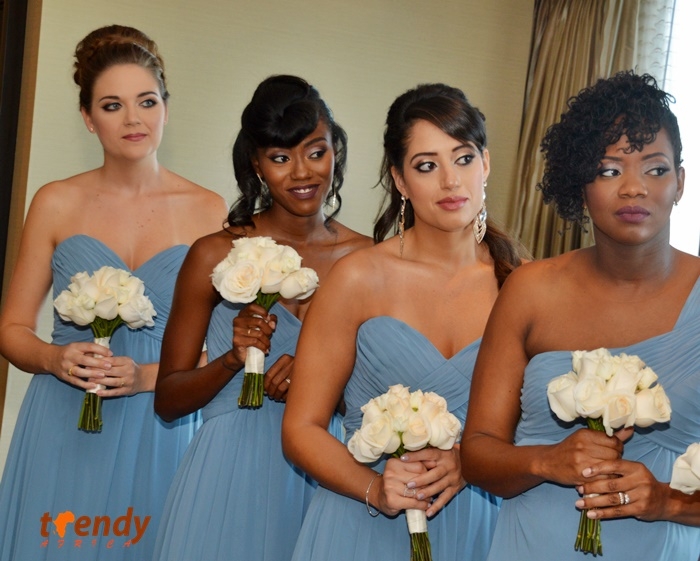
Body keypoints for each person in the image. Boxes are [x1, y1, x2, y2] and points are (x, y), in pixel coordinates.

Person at [0, 25, 226, 561]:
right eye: (112, 105)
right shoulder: (54, 202)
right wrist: (54, 359)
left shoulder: (209, 210)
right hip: (63, 419)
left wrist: (147, 377)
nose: (133, 119)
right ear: (87, 117)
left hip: (161, 425)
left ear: (166, 108)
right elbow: (11, 329)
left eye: (147, 101)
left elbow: (228, 350)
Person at [461, 71, 700, 560]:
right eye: (609, 171)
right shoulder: (529, 290)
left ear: (680, 182)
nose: (633, 188)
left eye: (655, 169)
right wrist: (546, 461)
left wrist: (669, 501)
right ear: (580, 184)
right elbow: (477, 454)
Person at [282, 83, 525, 561]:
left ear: (486, 164)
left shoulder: (520, 285)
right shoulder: (357, 278)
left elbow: (537, 428)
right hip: (360, 522)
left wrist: (470, 461)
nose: (451, 181)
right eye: (427, 166)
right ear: (400, 180)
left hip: (479, 526)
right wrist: (374, 489)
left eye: (463, 158)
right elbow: (301, 428)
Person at [151, 74, 371, 561]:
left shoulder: (370, 261)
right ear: (256, 163)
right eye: (280, 158)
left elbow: (377, 400)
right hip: (226, 475)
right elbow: (167, 401)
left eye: (316, 152)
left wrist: (320, 384)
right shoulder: (214, 253)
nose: (302, 173)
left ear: (335, 150)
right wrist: (232, 360)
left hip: (327, 476)